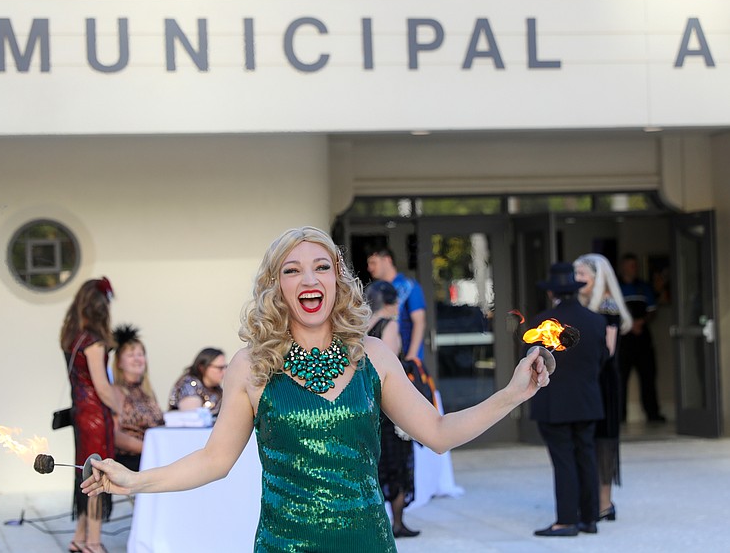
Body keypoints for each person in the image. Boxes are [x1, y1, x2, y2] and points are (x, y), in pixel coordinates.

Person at [82, 226, 550, 553]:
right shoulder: (251, 366)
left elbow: (439, 432)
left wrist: (511, 393)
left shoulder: (374, 356)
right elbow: (213, 461)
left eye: (321, 267)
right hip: (285, 546)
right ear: (276, 287)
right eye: (292, 270)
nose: (308, 278)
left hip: (367, 543)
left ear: (336, 280)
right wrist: (135, 481)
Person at [528, 262, 609, 537]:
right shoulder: (596, 321)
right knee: (586, 457)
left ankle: (566, 520)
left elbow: (531, 363)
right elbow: (603, 360)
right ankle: (589, 519)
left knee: (563, 460)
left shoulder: (541, 323)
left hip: (554, 404)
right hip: (587, 400)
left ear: (552, 292)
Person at [60, 277, 118, 553]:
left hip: (79, 413)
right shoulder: (93, 342)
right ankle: (93, 543)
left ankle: (79, 538)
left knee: (83, 474)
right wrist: (123, 408)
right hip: (95, 415)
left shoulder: (72, 338)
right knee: (96, 475)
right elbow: (103, 388)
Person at [574, 253, 633, 523]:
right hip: (588, 380)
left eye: (582, 275)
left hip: (603, 382)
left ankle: (604, 503)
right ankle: (592, 501)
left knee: (604, 442)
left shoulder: (607, 305)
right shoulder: (583, 304)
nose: (577, 280)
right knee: (588, 442)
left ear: (597, 278)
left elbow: (607, 351)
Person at [364, 280, 418, 539]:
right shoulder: (391, 325)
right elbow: (390, 364)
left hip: (369, 403)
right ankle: (397, 522)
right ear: (390, 302)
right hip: (389, 404)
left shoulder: (364, 327)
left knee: (379, 462)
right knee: (399, 463)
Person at [618, 253, 665, 423]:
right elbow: (611, 311)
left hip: (643, 337)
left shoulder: (644, 287)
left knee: (648, 376)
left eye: (635, 265)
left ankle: (652, 413)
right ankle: (619, 415)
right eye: (631, 265)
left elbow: (652, 310)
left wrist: (640, 322)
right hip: (623, 339)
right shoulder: (615, 287)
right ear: (623, 266)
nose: (634, 269)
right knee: (620, 378)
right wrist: (629, 324)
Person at [111, 324, 164, 472]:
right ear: (119, 362)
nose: (137, 359)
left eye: (140, 354)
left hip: (153, 454)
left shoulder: (146, 390)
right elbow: (114, 435)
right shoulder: (116, 391)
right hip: (133, 459)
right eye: (130, 355)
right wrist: (148, 448)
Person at [366, 247, 427, 364]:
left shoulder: (409, 286)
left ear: (387, 260)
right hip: (380, 357)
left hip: (404, 358)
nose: (370, 268)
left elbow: (419, 321)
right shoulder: (374, 289)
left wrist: (412, 356)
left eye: (374, 262)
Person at [168, 347, 227, 416]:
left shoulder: (217, 389)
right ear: (202, 368)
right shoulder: (189, 384)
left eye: (226, 367)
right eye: (220, 368)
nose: (224, 372)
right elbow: (192, 418)